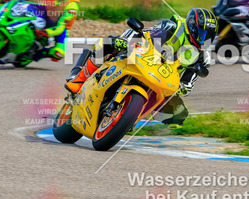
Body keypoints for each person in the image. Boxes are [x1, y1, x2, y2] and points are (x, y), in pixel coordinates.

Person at [64, 8, 218, 125]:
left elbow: (188, 85)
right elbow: (145, 34)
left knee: (178, 114)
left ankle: (132, 118)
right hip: (144, 57)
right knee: (109, 43)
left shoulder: (203, 57)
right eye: (201, 33)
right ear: (192, 26)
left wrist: (181, 87)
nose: (203, 39)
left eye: (208, 36)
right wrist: (124, 41)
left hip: (163, 80)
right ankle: (78, 80)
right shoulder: (174, 26)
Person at [0, 0, 79, 62]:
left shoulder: (72, 6)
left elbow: (61, 27)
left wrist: (46, 32)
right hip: (46, 12)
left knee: (59, 54)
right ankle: (12, 27)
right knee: (23, 6)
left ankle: (35, 55)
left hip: (60, 26)